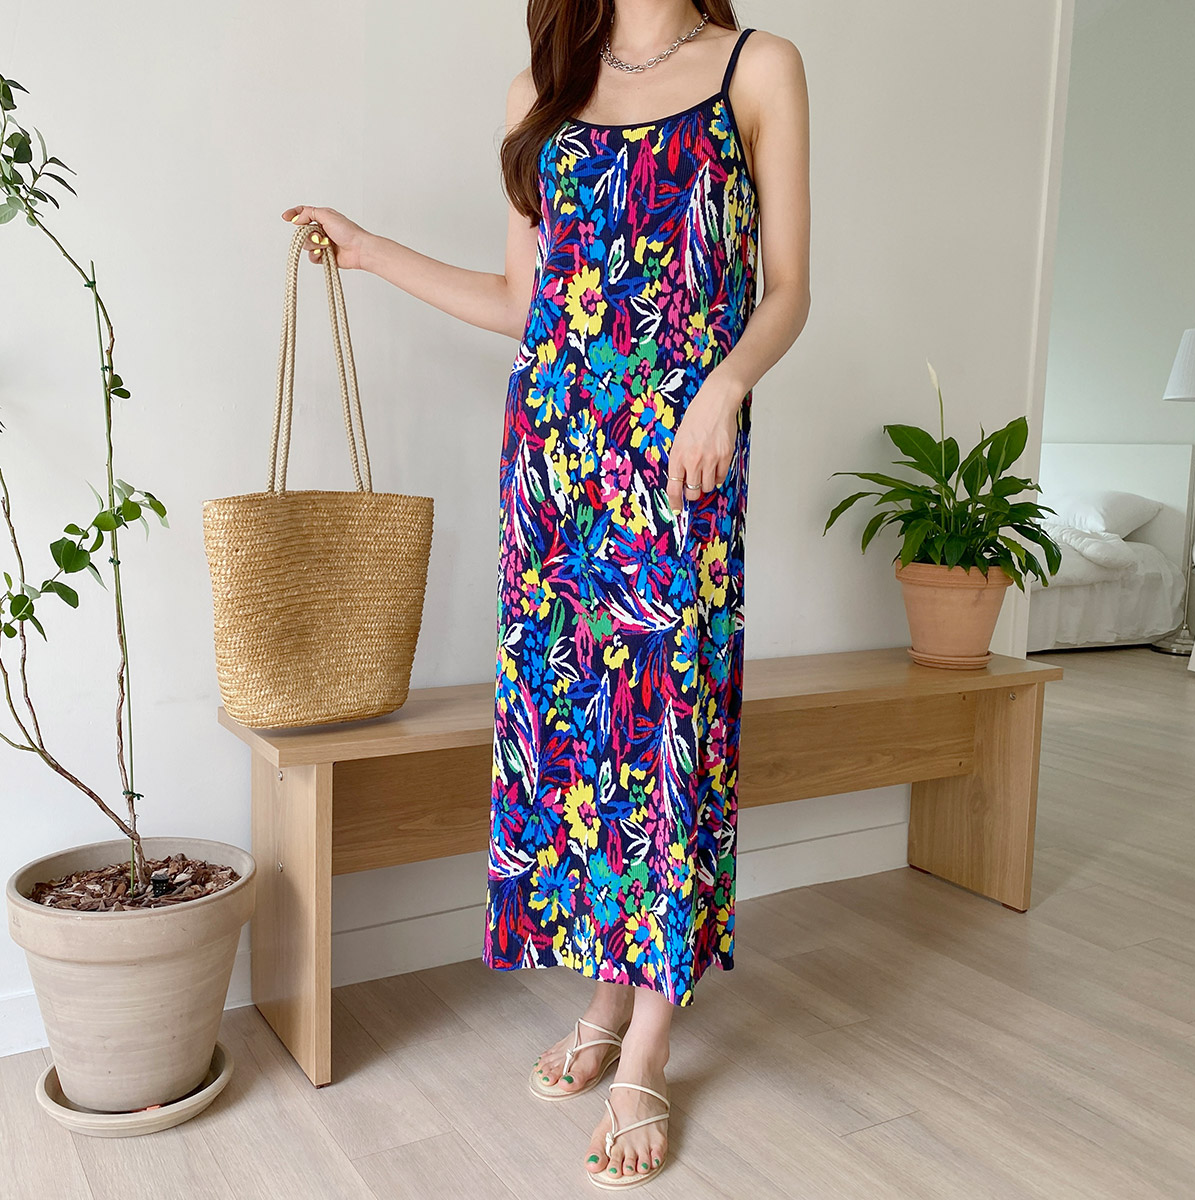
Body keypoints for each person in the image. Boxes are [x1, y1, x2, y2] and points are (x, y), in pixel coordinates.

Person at [284, 0, 809, 1187]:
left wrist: (725, 389)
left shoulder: (759, 68)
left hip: (682, 463)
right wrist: (370, 251)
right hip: (557, 466)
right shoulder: (544, 89)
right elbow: (529, 304)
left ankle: (649, 1041)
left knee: (670, 739)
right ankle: (606, 1001)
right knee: (580, 744)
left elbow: (788, 288)